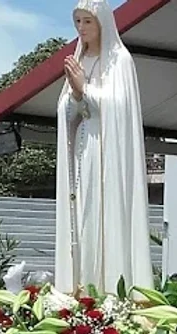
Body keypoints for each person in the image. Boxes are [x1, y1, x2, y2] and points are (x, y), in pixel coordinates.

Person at [55, 0, 154, 295]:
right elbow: (66, 110)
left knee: (108, 218)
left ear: (101, 23)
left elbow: (121, 107)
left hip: (109, 154)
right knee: (84, 220)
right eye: (77, 22)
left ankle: (111, 290)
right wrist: (74, 94)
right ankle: (83, 290)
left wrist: (84, 89)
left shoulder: (119, 60)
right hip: (84, 153)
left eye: (87, 21)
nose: (81, 29)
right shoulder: (80, 61)